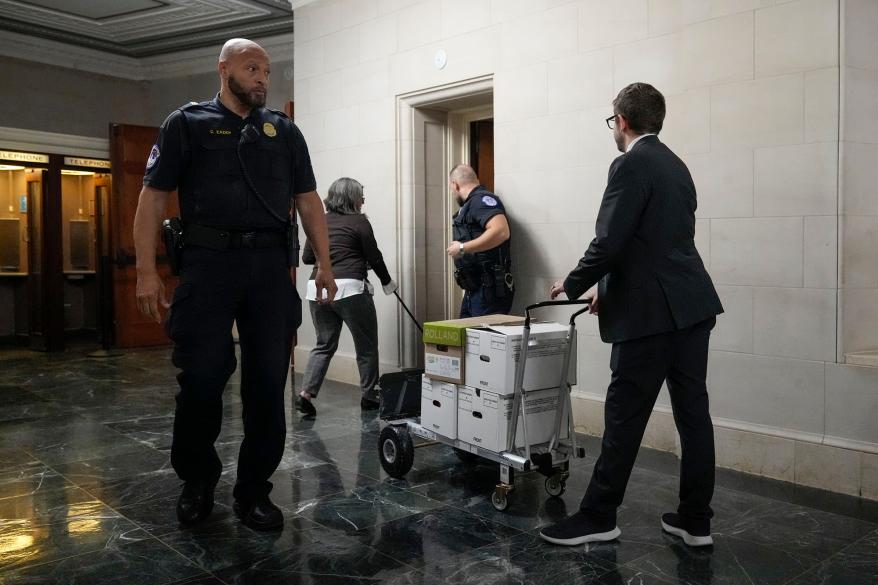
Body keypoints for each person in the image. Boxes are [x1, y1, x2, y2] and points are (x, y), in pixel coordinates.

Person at [132, 38, 337, 532]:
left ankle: (254, 492)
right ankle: (198, 481)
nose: (262, 78)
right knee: (201, 377)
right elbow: (152, 200)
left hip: (269, 267)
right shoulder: (187, 124)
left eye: (266, 70)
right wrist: (145, 270)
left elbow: (309, 202)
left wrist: (325, 264)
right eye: (251, 68)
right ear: (223, 69)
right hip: (207, 265)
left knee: (268, 382)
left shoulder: (284, 132)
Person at [540, 83, 724, 548]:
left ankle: (599, 516)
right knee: (694, 417)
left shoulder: (629, 163)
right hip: (692, 306)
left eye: (612, 121)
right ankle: (695, 520)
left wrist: (576, 282)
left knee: (623, 417)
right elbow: (657, 242)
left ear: (621, 121)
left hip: (650, 317)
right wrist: (609, 287)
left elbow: (611, 239)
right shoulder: (677, 166)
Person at [296, 177, 397, 417]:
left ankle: (306, 395)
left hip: (318, 289)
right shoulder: (360, 222)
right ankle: (369, 395)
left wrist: (332, 256)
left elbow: (308, 259)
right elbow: (374, 256)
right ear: (352, 198)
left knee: (324, 344)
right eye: (361, 195)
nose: (363, 200)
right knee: (366, 345)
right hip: (350, 289)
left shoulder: (319, 221)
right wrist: (386, 282)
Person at [445, 164, 514, 317]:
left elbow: (501, 231)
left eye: (451, 188)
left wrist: (462, 247)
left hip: (488, 291)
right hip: (476, 289)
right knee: (466, 339)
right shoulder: (472, 204)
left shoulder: (481, 201)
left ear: (455, 184)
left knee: (482, 338)